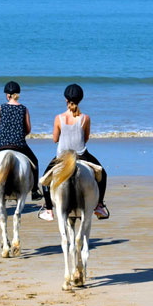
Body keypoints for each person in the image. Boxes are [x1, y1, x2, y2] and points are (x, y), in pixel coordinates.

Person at [38, 84, 109, 221]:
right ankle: (100, 205)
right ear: (80, 99)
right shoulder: (85, 118)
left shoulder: (58, 118)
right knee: (103, 174)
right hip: (82, 154)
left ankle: (48, 210)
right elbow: (86, 138)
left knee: (45, 179)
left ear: (65, 99)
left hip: (62, 156)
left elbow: (54, 139)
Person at [0, 81, 43, 201]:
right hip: (19, 144)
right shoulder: (23, 109)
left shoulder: (1, 107)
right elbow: (28, 129)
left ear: (7, 95)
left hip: (1, 143)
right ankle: (35, 190)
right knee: (35, 162)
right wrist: (21, 134)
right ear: (17, 94)